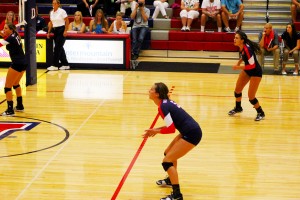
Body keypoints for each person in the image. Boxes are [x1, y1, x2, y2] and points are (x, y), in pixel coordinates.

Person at [143, 82, 202, 200]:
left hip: (192, 134)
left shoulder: (163, 106)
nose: (148, 90)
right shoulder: (164, 104)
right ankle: (170, 180)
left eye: (151, 89)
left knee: (167, 161)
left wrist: (156, 131)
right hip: (188, 131)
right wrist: (155, 129)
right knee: (168, 153)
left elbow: (170, 130)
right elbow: (172, 126)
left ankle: (177, 195)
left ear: (157, 94)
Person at [228, 31, 265, 121]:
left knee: (251, 97)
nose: (234, 39)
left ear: (242, 40)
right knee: (237, 90)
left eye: (236, 38)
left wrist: (238, 67)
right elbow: (243, 56)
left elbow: (252, 65)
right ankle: (238, 108)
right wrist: (239, 62)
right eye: (234, 37)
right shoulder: (242, 47)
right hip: (248, 70)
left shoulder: (247, 49)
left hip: (255, 72)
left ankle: (261, 112)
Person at [0, 23, 27, 116]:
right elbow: (6, 38)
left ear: (11, 29)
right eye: (3, 28)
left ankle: (10, 110)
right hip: (23, 63)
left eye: (6, 28)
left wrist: (4, 36)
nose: (4, 29)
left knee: (7, 87)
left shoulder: (10, 38)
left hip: (17, 64)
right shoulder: (15, 35)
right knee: (15, 84)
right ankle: (20, 105)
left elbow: (1, 43)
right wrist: (4, 34)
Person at [47, 0, 70, 71]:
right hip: (55, 30)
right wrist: (49, 32)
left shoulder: (62, 11)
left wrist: (66, 30)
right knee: (60, 48)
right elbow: (51, 23)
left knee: (57, 48)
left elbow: (67, 21)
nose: (53, 4)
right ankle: (65, 64)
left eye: (55, 3)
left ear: (58, 4)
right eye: (53, 3)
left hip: (61, 29)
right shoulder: (51, 12)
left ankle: (55, 65)